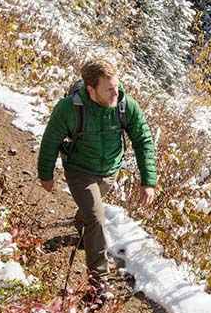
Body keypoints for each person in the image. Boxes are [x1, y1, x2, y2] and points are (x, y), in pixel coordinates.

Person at [37, 58, 157, 299]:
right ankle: (98, 282)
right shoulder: (69, 109)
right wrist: (46, 174)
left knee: (89, 216)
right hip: (79, 170)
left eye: (117, 85)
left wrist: (148, 181)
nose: (116, 92)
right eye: (109, 89)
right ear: (91, 90)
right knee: (96, 217)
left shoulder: (125, 105)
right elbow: (50, 141)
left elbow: (143, 140)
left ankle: (83, 228)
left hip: (109, 171)